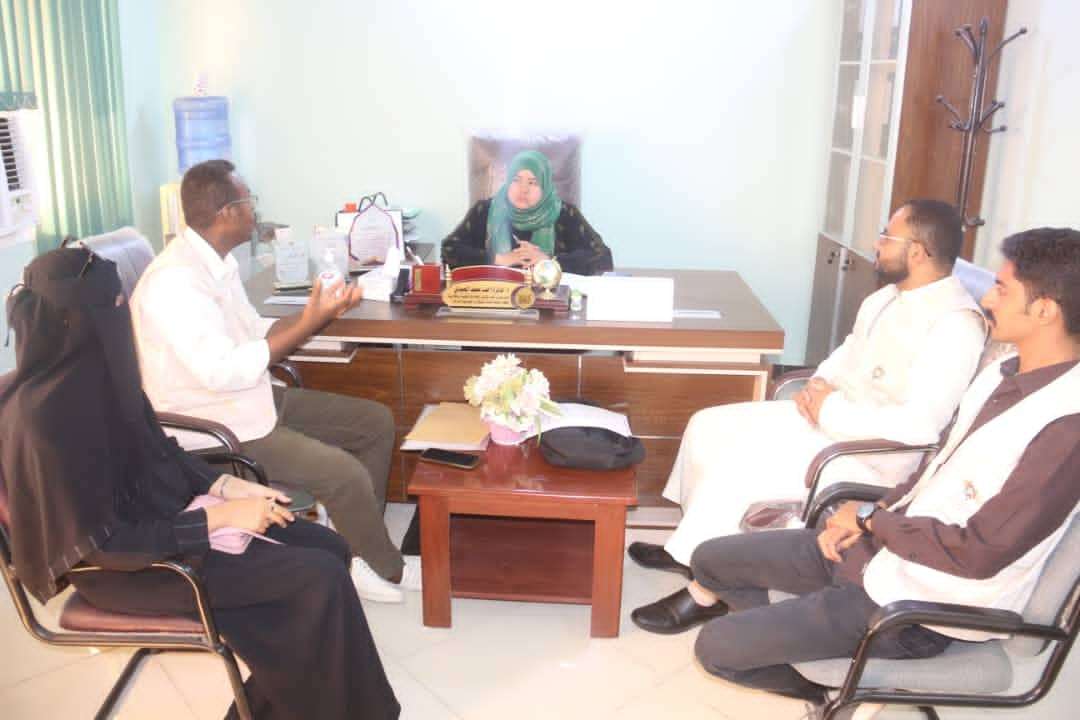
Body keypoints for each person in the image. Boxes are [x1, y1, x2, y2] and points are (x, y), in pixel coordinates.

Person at [652, 227, 1080, 712]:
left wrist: (873, 521)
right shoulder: (1002, 375)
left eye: (1002, 288)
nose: (988, 298)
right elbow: (933, 472)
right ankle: (804, 628)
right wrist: (870, 517)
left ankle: (835, 691)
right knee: (710, 559)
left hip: (923, 607)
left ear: (1045, 310)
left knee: (716, 648)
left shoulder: (1064, 428)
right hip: (883, 553)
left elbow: (980, 554)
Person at [0, 248, 400, 719]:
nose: (123, 318)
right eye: (114, 306)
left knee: (328, 547)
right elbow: (106, 545)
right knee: (317, 577)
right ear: (77, 320)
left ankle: (289, 704)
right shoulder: (45, 422)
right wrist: (219, 519)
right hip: (128, 570)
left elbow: (163, 454)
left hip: (162, 528)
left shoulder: (99, 380)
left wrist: (228, 487)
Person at [631, 199, 988, 632]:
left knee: (741, 464)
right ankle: (691, 548)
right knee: (708, 425)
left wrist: (829, 408)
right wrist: (817, 388)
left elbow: (919, 427)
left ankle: (706, 593)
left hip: (873, 454)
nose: (876, 244)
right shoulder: (887, 298)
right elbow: (847, 353)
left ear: (916, 252)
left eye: (886, 236)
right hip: (831, 419)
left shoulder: (956, 325)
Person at [130, 159, 418, 603]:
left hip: (251, 399)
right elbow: (223, 371)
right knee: (343, 474)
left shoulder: (216, 263)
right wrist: (311, 322)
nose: (255, 210)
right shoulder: (174, 283)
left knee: (375, 422)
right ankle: (384, 567)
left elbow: (256, 332)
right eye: (249, 201)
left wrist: (317, 313)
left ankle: (361, 547)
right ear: (227, 213)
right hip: (215, 426)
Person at [440, 150, 614, 275]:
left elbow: (603, 257)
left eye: (532, 182)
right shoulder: (484, 211)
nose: (523, 190)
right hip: (495, 301)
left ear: (545, 186)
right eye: (516, 180)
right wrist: (497, 259)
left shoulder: (564, 214)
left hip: (550, 302)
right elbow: (449, 250)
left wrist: (550, 261)